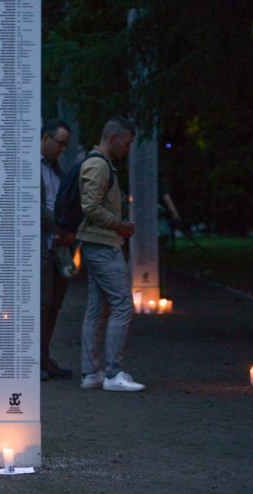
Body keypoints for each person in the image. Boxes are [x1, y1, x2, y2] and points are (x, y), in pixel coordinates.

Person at [77, 116, 145, 392]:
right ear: (113, 138)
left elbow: (91, 205)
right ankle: (113, 374)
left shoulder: (98, 164)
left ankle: (92, 373)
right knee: (122, 305)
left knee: (97, 308)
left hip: (96, 242)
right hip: (103, 244)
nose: (128, 148)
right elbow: (90, 206)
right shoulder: (99, 165)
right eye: (127, 143)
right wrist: (119, 225)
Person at [39, 119, 74, 381]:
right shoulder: (33, 169)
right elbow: (35, 207)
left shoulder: (56, 169)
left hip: (58, 246)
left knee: (53, 306)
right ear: (45, 139)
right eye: (60, 143)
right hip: (42, 245)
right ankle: (34, 360)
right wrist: (62, 227)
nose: (63, 149)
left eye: (65, 144)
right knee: (41, 304)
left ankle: (43, 357)